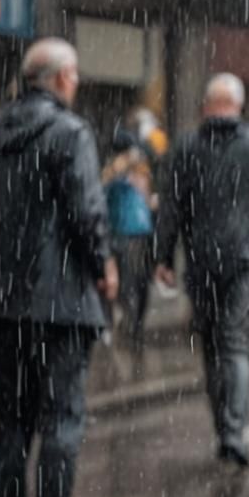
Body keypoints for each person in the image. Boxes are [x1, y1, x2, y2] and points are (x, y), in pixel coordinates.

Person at [0, 38, 117, 497]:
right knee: (61, 421)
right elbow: (86, 211)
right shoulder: (69, 133)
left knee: (12, 424)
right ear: (58, 78)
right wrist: (103, 265)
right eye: (74, 76)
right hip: (62, 305)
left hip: (6, 305)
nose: (75, 85)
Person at [154, 73, 249, 468]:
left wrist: (164, 257)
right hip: (245, 262)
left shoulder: (187, 146)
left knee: (213, 349)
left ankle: (224, 429)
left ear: (205, 106)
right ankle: (235, 431)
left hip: (200, 264)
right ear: (239, 104)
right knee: (234, 346)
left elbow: (171, 207)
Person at [103, 126, 156, 352]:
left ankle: (133, 325)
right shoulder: (116, 169)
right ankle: (128, 324)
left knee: (137, 280)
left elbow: (146, 196)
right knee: (127, 280)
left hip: (135, 231)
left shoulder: (137, 168)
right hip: (124, 231)